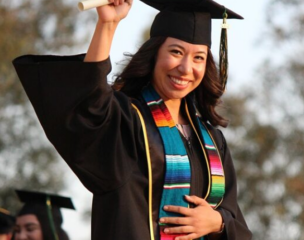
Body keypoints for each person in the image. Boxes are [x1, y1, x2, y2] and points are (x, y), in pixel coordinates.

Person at [13, 0, 252, 239]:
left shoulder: (212, 140)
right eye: (176, 52)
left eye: (198, 57)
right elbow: (88, 106)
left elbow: (235, 221)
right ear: (154, 55)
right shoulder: (125, 121)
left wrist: (219, 221)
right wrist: (108, 24)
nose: (186, 68)